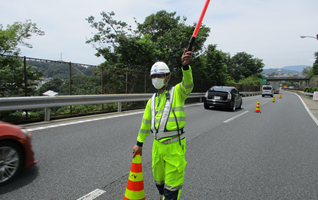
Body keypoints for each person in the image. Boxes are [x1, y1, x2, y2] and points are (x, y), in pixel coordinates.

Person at [132, 48, 194, 200]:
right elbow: (145, 124)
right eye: (153, 76)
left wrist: (185, 66)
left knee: (171, 189)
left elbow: (188, 84)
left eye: (159, 75)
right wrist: (139, 143)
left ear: (168, 77)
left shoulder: (178, 92)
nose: (156, 79)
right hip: (157, 147)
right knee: (159, 183)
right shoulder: (151, 100)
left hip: (174, 147)